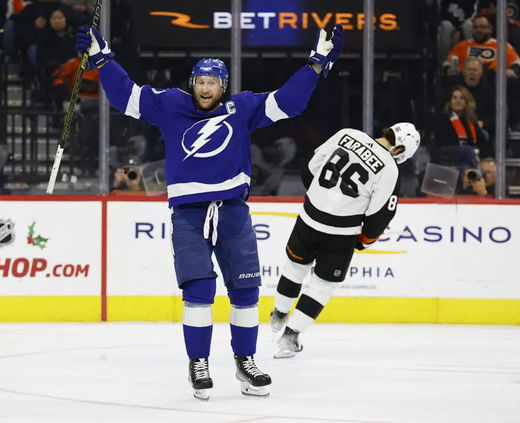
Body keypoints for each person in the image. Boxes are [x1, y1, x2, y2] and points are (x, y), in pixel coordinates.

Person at [76, 23, 344, 399]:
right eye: (201, 81)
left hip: (233, 212)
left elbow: (288, 101)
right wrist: (102, 59)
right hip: (189, 214)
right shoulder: (171, 104)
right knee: (199, 289)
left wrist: (315, 64)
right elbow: (127, 97)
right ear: (193, 83)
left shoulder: (243, 108)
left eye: (213, 82)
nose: (205, 88)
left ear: (224, 86)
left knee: (246, 291)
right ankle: (198, 363)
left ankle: (245, 361)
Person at [269, 123, 420, 358]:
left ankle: (279, 314)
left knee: (294, 267)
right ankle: (290, 336)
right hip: (341, 233)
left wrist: (322, 198)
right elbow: (380, 215)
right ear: (400, 149)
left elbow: (310, 170)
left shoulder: (346, 134)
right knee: (322, 285)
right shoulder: (389, 169)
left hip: (309, 218)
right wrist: (364, 241)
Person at [432, 85, 491, 168]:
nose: (457, 101)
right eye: (455, 98)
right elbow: (442, 144)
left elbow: (481, 141)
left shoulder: (470, 120)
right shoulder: (443, 119)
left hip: (467, 159)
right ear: (450, 101)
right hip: (449, 158)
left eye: (461, 98)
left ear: (466, 102)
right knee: (467, 152)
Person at [443, 16, 520, 78]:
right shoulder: (462, 45)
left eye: (482, 27)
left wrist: (513, 70)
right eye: (475, 27)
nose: (478, 30)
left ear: (490, 29)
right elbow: (447, 63)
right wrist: (448, 69)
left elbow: (517, 62)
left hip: (493, 82)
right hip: (465, 84)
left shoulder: (502, 45)